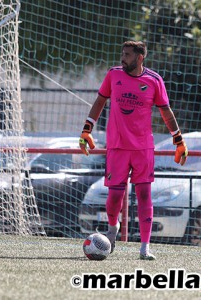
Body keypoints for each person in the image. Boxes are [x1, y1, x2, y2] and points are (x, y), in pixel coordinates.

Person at [79, 40, 188, 260]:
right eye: (122, 53)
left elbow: (166, 112)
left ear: (140, 58)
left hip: (143, 148)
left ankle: (145, 248)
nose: (123, 58)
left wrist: (178, 140)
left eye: (127, 54)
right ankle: (112, 230)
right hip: (117, 147)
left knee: (145, 195)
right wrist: (86, 130)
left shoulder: (154, 80)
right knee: (114, 196)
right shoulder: (113, 75)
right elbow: (100, 101)